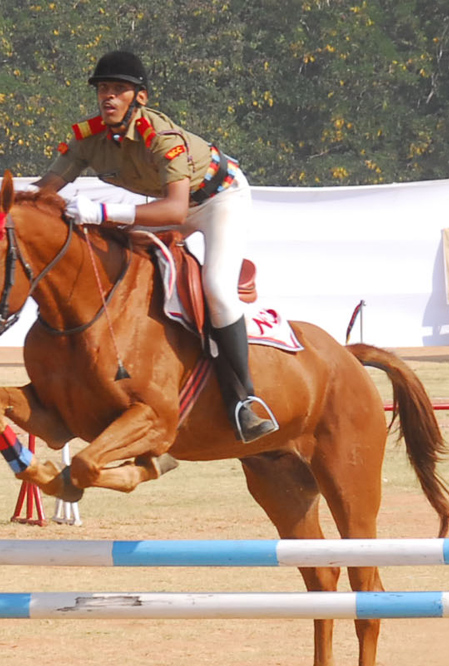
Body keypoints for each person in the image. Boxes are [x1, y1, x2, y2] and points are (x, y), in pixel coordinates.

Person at [35, 50, 277, 443]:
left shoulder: (161, 137)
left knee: (217, 288)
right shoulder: (86, 138)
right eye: (103, 89)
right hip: (168, 207)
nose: (108, 97)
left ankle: (245, 400)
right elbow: (44, 192)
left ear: (140, 98)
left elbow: (177, 209)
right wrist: (2, 212)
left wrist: (101, 209)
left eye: (118, 90)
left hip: (219, 199)